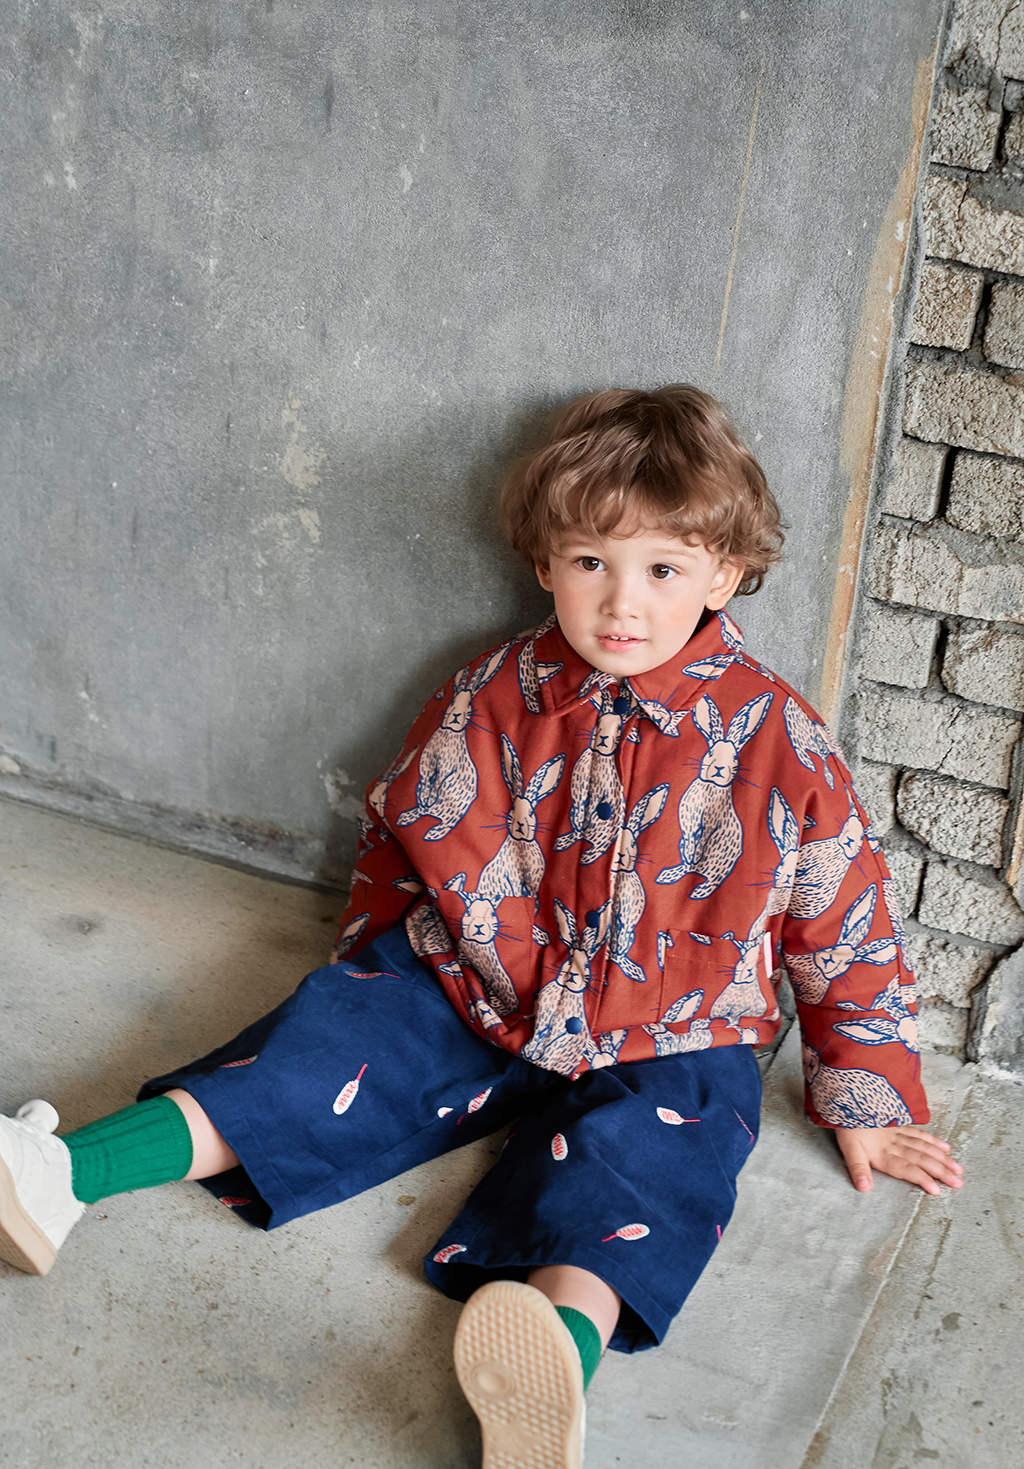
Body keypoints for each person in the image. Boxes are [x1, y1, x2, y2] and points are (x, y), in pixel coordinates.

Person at [0, 386, 963, 1469]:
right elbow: (406, 825)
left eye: (662, 569)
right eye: (591, 561)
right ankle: (57, 1172)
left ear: (724, 576)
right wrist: (363, 972)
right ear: (546, 561)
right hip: (476, 983)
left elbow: (844, 922)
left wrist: (866, 1094)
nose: (621, 602)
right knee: (320, 1055)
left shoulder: (779, 737)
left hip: (675, 1028)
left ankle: (548, 1362)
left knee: (648, 1168)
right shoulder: (496, 690)